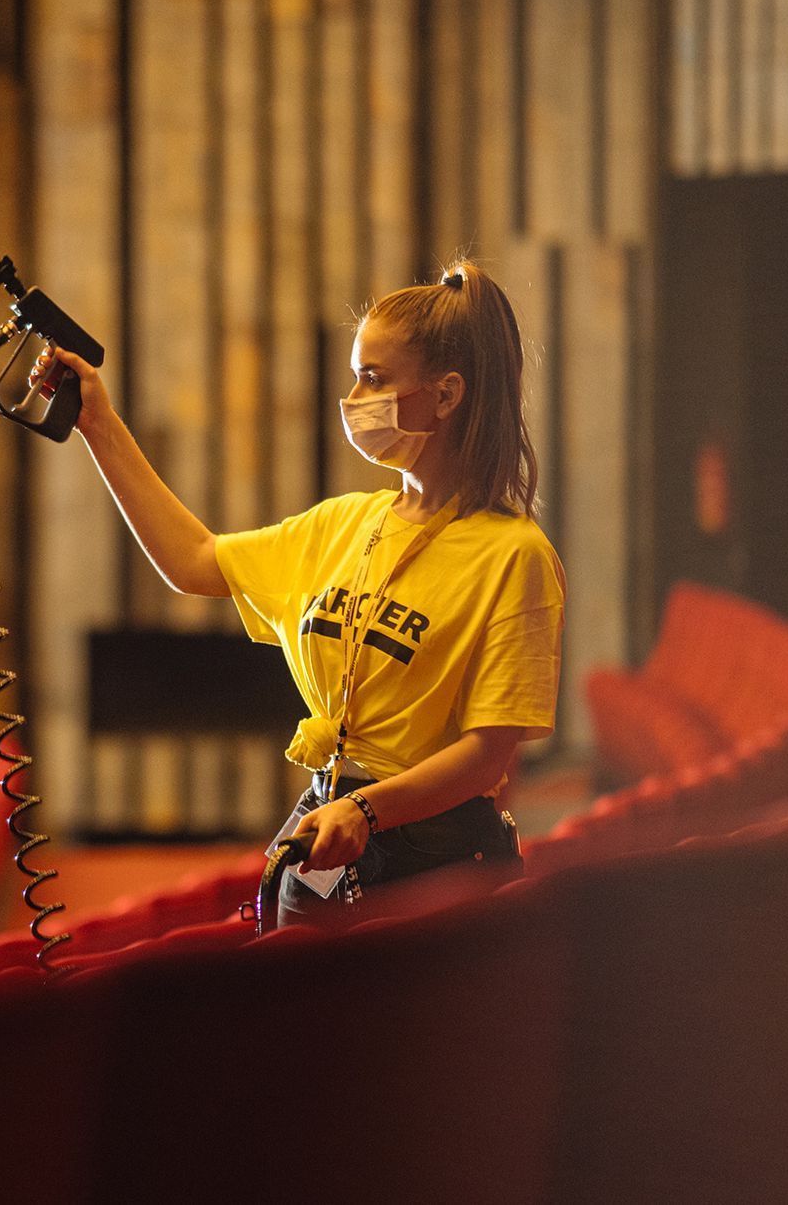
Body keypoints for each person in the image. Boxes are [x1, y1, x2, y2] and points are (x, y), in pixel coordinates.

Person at [33, 259, 564, 926]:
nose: (353, 396)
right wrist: (98, 424)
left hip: (436, 855)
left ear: (446, 394)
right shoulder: (344, 522)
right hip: (330, 819)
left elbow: (488, 754)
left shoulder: (515, 555)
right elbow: (194, 561)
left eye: (374, 378)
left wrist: (367, 809)